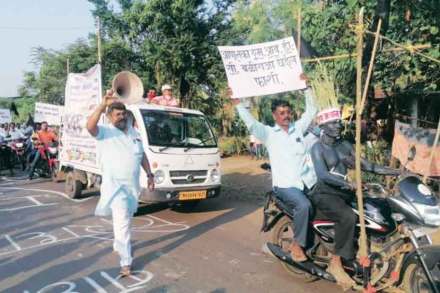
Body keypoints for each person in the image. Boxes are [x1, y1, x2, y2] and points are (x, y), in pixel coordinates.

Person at [230, 74, 317, 262]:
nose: (286, 116)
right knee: (304, 205)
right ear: (275, 116)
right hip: (286, 186)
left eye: (288, 112)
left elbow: (312, 111)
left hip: (307, 182)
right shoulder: (269, 134)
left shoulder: (298, 129)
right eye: (281, 113)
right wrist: (237, 103)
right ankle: (297, 245)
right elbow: (252, 124)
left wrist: (306, 89)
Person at [310, 108, 399, 289]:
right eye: (333, 123)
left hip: (345, 192)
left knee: (375, 210)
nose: (339, 125)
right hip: (325, 193)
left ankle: (366, 253)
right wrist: (349, 184)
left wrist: (398, 171)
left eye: (338, 122)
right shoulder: (317, 148)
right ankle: (336, 262)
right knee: (347, 217)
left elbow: (368, 166)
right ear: (323, 126)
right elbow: (323, 175)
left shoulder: (345, 146)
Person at [86, 89, 155, 277]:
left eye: (123, 113)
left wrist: (150, 175)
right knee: (123, 222)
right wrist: (102, 104)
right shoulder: (105, 132)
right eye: (117, 114)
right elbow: (90, 126)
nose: (121, 117)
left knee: (125, 221)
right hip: (115, 187)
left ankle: (119, 244)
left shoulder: (134, 132)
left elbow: (141, 156)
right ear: (109, 117)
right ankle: (126, 262)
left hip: (132, 188)